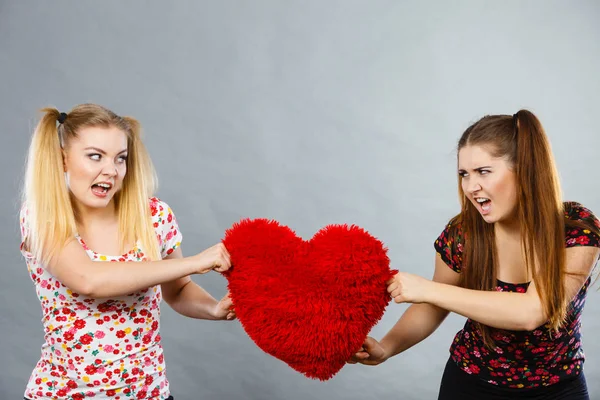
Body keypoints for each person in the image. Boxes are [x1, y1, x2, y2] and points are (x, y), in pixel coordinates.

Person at [350, 109, 600, 399]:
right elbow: (433, 306)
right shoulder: (463, 234)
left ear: (525, 169)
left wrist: (428, 290)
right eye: (464, 174)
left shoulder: (576, 229)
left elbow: (532, 312)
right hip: (470, 385)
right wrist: (387, 347)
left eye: (483, 172)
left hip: (558, 389)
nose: (470, 187)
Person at [18, 104, 235, 400]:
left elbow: (178, 290)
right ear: (63, 159)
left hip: (151, 393)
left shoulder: (155, 216)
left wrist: (213, 309)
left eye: (120, 158)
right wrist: (195, 263)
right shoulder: (43, 217)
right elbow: (88, 279)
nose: (111, 170)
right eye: (95, 156)